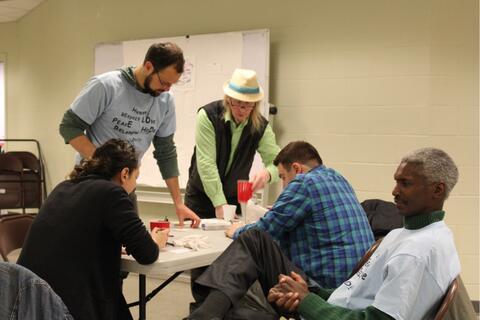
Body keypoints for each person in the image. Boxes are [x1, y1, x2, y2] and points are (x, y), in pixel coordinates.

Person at [187, 147, 460, 320]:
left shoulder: (415, 252)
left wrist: (307, 302)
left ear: (437, 190)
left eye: (406, 183)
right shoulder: (416, 234)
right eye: (396, 182)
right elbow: (357, 292)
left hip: (328, 311)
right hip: (331, 296)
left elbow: (266, 229)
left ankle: (204, 315)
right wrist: (311, 293)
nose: (394, 191)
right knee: (246, 298)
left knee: (251, 242)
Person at [18, 139, 169, 320]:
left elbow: (77, 236)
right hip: (67, 305)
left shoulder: (63, 187)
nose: (135, 185)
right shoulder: (112, 193)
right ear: (125, 173)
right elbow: (147, 254)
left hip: (28, 300)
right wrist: (157, 241)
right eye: (136, 177)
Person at [59, 42, 200, 227]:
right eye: (164, 82)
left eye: (172, 84)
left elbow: (165, 151)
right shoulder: (106, 86)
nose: (167, 89)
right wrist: (106, 165)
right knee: (90, 247)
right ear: (149, 66)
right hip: (91, 184)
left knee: (129, 249)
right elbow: (69, 127)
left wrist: (178, 203)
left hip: (126, 188)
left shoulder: (165, 101)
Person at [226, 141, 374, 288]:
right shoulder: (338, 178)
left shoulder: (303, 183)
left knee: (249, 263)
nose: (283, 186)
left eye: (283, 177)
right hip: (357, 286)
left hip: (323, 288)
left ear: (297, 169)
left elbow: (262, 233)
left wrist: (236, 230)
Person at [184, 68, 281, 219]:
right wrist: (219, 203)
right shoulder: (208, 116)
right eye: (236, 103)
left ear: (255, 104)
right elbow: (206, 163)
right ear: (228, 98)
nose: (241, 110)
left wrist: (267, 173)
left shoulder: (261, 126)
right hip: (201, 198)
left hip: (234, 201)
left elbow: (278, 162)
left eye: (248, 105)